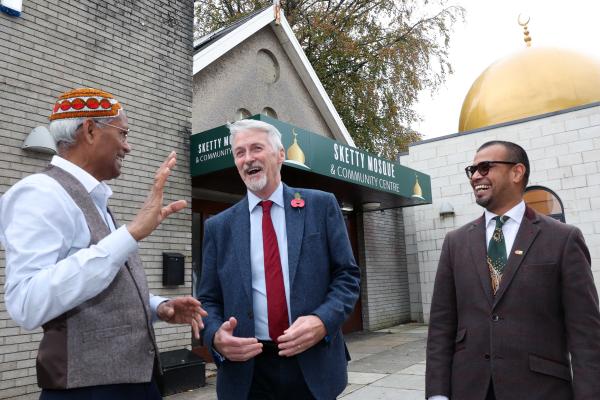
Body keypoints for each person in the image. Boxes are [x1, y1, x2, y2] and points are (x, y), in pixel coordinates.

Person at [0, 88, 207, 399]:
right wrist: (132, 232)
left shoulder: (94, 200)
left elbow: (106, 283)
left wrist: (158, 307)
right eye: (123, 133)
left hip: (133, 384)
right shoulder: (40, 192)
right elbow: (27, 302)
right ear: (91, 130)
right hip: (90, 391)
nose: (128, 146)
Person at [198, 119, 361, 400]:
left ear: (280, 154)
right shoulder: (219, 226)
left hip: (312, 364)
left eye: (256, 148)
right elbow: (208, 299)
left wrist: (322, 321)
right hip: (248, 374)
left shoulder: (320, 206)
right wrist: (214, 336)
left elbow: (347, 277)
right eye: (239, 152)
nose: (248, 158)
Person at [426, 140, 600, 400]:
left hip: (541, 390)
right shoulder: (455, 242)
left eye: (485, 167)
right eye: (471, 170)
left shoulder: (563, 239)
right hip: (469, 389)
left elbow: (585, 333)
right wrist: (437, 393)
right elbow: (441, 326)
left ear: (517, 172)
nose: (475, 176)